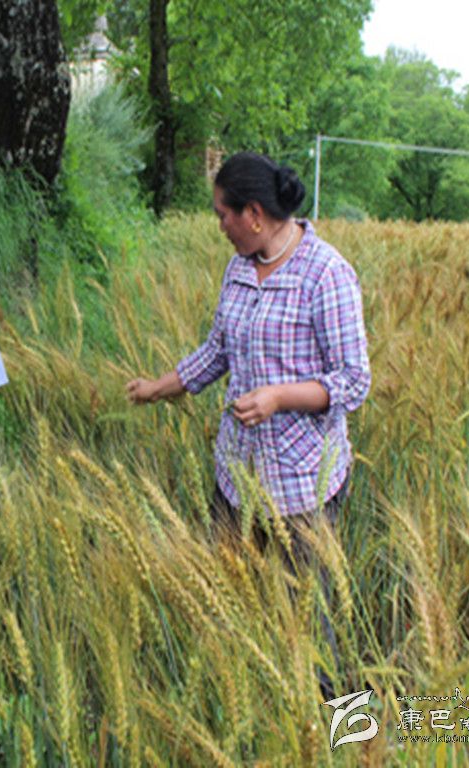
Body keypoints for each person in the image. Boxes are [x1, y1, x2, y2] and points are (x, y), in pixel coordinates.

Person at [126, 150, 371, 542]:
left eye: (223, 215)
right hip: (236, 476)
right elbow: (218, 350)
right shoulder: (238, 267)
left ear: (254, 213)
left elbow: (354, 380)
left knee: (298, 585)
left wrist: (278, 397)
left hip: (301, 486)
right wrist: (157, 388)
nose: (220, 226)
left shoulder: (326, 273)